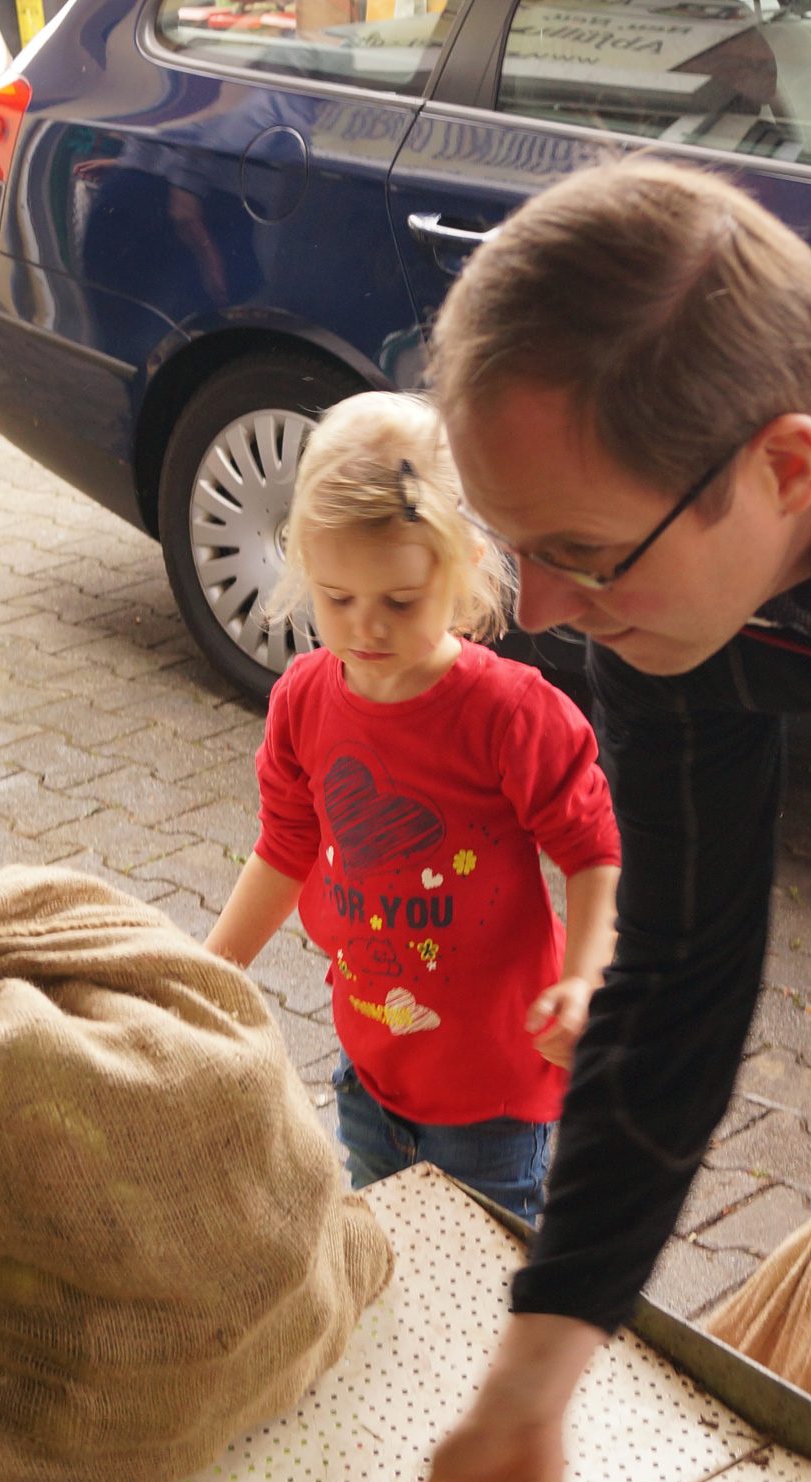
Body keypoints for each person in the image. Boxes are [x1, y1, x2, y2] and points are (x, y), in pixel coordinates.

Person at [418, 156, 811, 1482]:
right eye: (514, 547)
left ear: (786, 469)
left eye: (581, 555)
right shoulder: (671, 564)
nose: (542, 614)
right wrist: (541, 1363)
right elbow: (680, 968)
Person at [205, 391, 620, 1225]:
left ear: (463, 567)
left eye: (399, 601)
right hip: (370, 1075)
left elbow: (592, 853)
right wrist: (209, 972)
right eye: (336, 598)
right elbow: (285, 848)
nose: (366, 629)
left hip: (495, 1100)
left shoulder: (509, 715)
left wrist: (584, 981)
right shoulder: (303, 703)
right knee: (389, 1254)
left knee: (483, 1276)